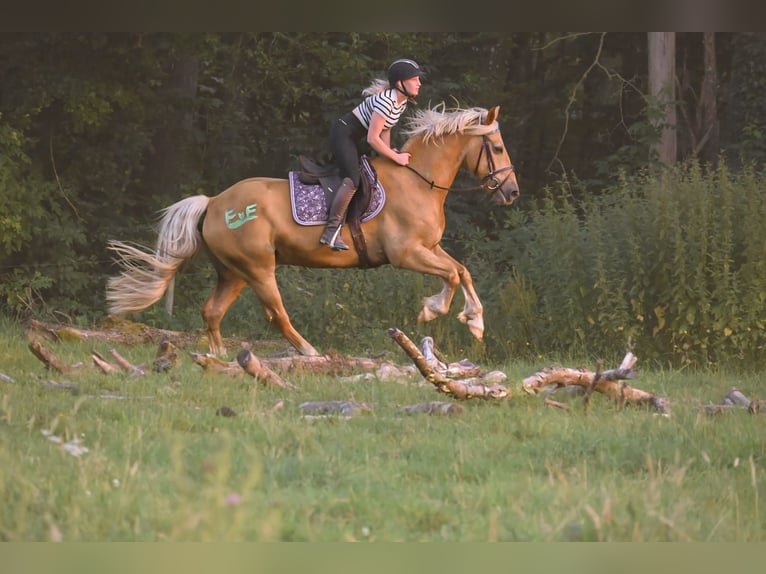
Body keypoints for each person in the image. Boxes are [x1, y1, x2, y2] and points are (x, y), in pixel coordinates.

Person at [320, 58, 423, 250]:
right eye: (414, 79)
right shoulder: (387, 101)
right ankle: (331, 231)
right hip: (343, 134)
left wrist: (388, 151)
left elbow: (385, 129)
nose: (419, 83)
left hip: (353, 136)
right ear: (400, 83)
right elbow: (372, 139)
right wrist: (396, 157)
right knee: (353, 179)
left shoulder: (400, 103)